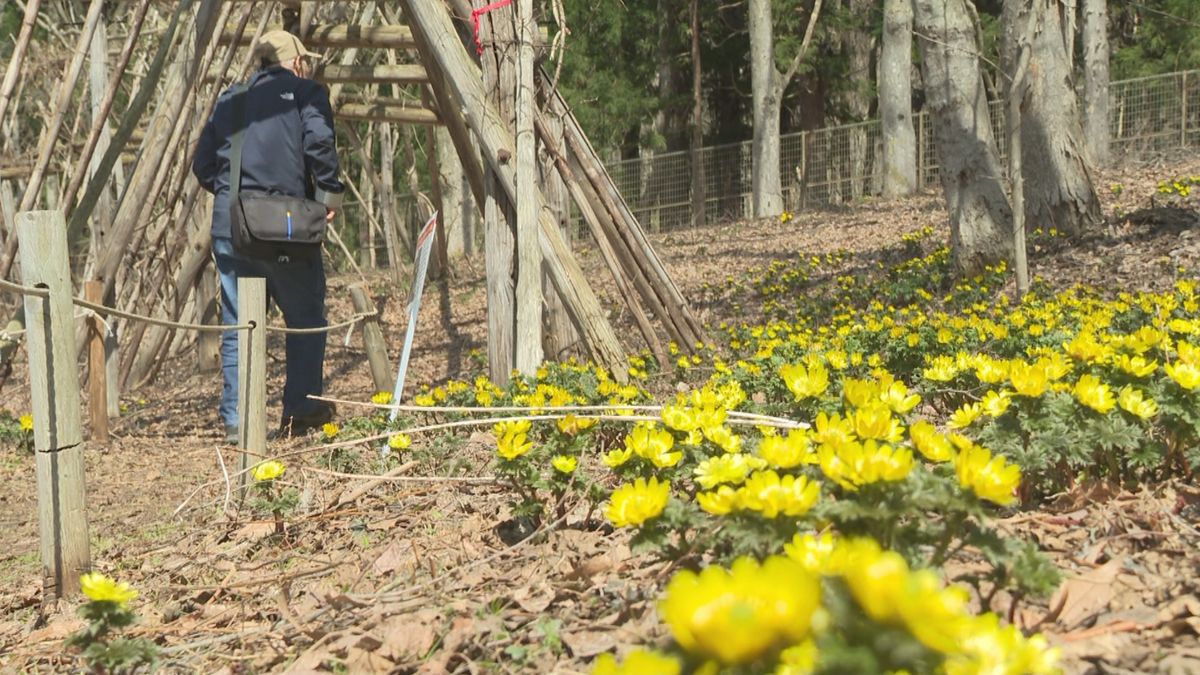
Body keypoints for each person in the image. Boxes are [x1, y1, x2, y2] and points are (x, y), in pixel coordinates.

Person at [192, 30, 344, 443]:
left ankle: (238, 421)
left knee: (238, 322)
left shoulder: (230, 100)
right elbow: (319, 143)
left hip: (232, 227)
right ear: (296, 63)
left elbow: (203, 164)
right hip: (287, 225)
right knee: (305, 318)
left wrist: (233, 198)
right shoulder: (307, 93)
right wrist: (328, 194)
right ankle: (301, 410)